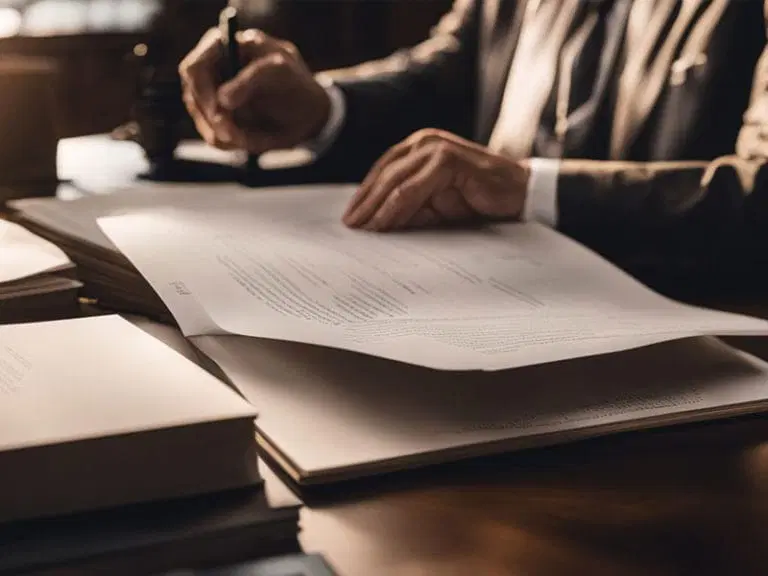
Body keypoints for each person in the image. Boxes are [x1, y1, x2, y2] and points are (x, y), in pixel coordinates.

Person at [179, 0, 768, 296]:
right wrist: (322, 106)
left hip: (685, 364)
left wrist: (526, 189)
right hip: (478, 306)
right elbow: (451, 73)